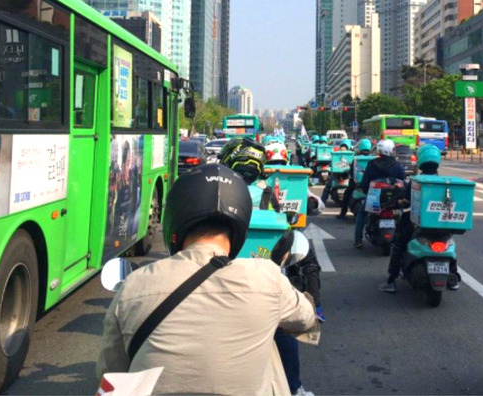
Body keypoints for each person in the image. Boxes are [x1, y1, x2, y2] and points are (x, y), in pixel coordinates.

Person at [96, 163, 318, 395]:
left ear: (175, 218)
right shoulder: (267, 278)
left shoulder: (134, 285)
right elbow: (305, 318)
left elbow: (111, 375)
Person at [222, 139, 324, 396]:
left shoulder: (218, 196)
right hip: (264, 284)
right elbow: (284, 239)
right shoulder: (267, 196)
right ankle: (294, 387)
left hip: (217, 282)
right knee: (283, 327)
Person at [379, 145, 459, 293]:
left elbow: (406, 200)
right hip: (440, 225)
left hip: (417, 224)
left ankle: (391, 280)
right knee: (449, 242)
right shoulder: (444, 182)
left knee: (399, 245)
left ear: (421, 160)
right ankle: (454, 275)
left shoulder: (416, 181)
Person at [353, 139, 405, 249]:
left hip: (374, 198)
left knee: (361, 214)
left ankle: (358, 240)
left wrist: (366, 191)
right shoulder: (396, 165)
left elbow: (365, 182)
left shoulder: (372, 164)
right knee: (403, 215)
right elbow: (402, 182)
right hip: (393, 199)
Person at [336, 139, 372, 220]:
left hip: (356, 183)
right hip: (370, 183)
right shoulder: (373, 159)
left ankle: (343, 213)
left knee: (347, 194)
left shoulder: (356, 159)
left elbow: (352, 172)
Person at [319, 139, 352, 206]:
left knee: (327, 188)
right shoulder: (351, 154)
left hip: (336, 176)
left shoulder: (337, 154)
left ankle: (322, 203)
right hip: (346, 176)